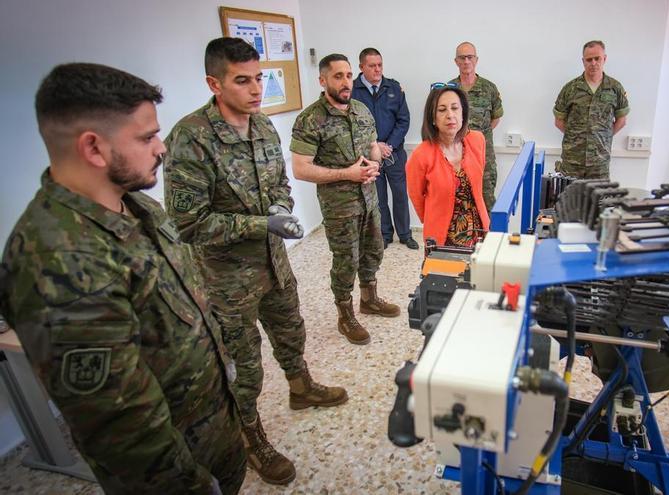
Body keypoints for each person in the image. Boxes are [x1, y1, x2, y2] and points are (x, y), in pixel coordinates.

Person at [0, 63, 246, 494]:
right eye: (147, 137)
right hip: (173, 471)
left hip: (212, 428)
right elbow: (121, 425)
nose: (162, 148)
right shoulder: (56, 261)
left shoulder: (136, 206)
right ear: (94, 148)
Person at [164, 38, 347, 486]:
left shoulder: (263, 127)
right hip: (225, 279)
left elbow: (281, 183)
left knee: (291, 328)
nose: (255, 89)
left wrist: (283, 210)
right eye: (242, 80)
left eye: (259, 77)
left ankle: (301, 388)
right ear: (214, 82)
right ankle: (250, 437)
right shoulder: (190, 139)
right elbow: (188, 224)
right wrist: (261, 225)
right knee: (243, 365)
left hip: (274, 263)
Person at [291, 53, 399, 346]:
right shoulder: (311, 119)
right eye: (338, 76)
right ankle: (345, 315)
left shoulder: (362, 110)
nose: (345, 82)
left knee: (374, 250)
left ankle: (370, 299)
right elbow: (301, 169)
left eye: (349, 75)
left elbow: (373, 146)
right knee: (346, 260)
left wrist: (375, 163)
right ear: (323, 80)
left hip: (369, 199)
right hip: (340, 207)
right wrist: (347, 174)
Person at [407, 84, 490, 248]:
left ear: (463, 112)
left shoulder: (477, 140)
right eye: (442, 110)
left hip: (479, 232)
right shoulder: (421, 155)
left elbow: (478, 186)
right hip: (443, 237)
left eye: (455, 108)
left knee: (479, 273)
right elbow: (416, 196)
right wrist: (434, 217)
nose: (450, 115)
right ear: (432, 117)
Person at [351, 47, 417, 250]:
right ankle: (384, 234)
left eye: (380, 65)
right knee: (378, 198)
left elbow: (403, 120)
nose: (377, 69)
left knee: (400, 194)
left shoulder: (394, 88)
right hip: (369, 155)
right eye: (372, 66)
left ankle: (405, 234)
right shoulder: (352, 91)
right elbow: (352, 124)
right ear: (361, 67)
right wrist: (375, 145)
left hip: (394, 152)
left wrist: (388, 145)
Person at [554, 40, 629, 180]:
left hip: (599, 162)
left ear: (604, 59)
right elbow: (559, 121)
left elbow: (621, 120)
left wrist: (602, 137)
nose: (593, 63)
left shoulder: (615, 88)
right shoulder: (570, 89)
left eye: (597, 58)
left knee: (598, 201)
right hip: (572, 161)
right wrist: (577, 136)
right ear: (583, 61)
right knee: (570, 201)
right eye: (589, 59)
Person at [450, 41, 503, 210]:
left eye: (470, 57)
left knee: (487, 201)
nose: (466, 61)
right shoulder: (449, 89)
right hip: (455, 156)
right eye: (462, 58)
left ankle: (489, 237)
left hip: (483, 156)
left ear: (476, 60)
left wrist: (476, 138)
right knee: (459, 203)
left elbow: (495, 118)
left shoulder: (489, 88)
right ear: (456, 61)